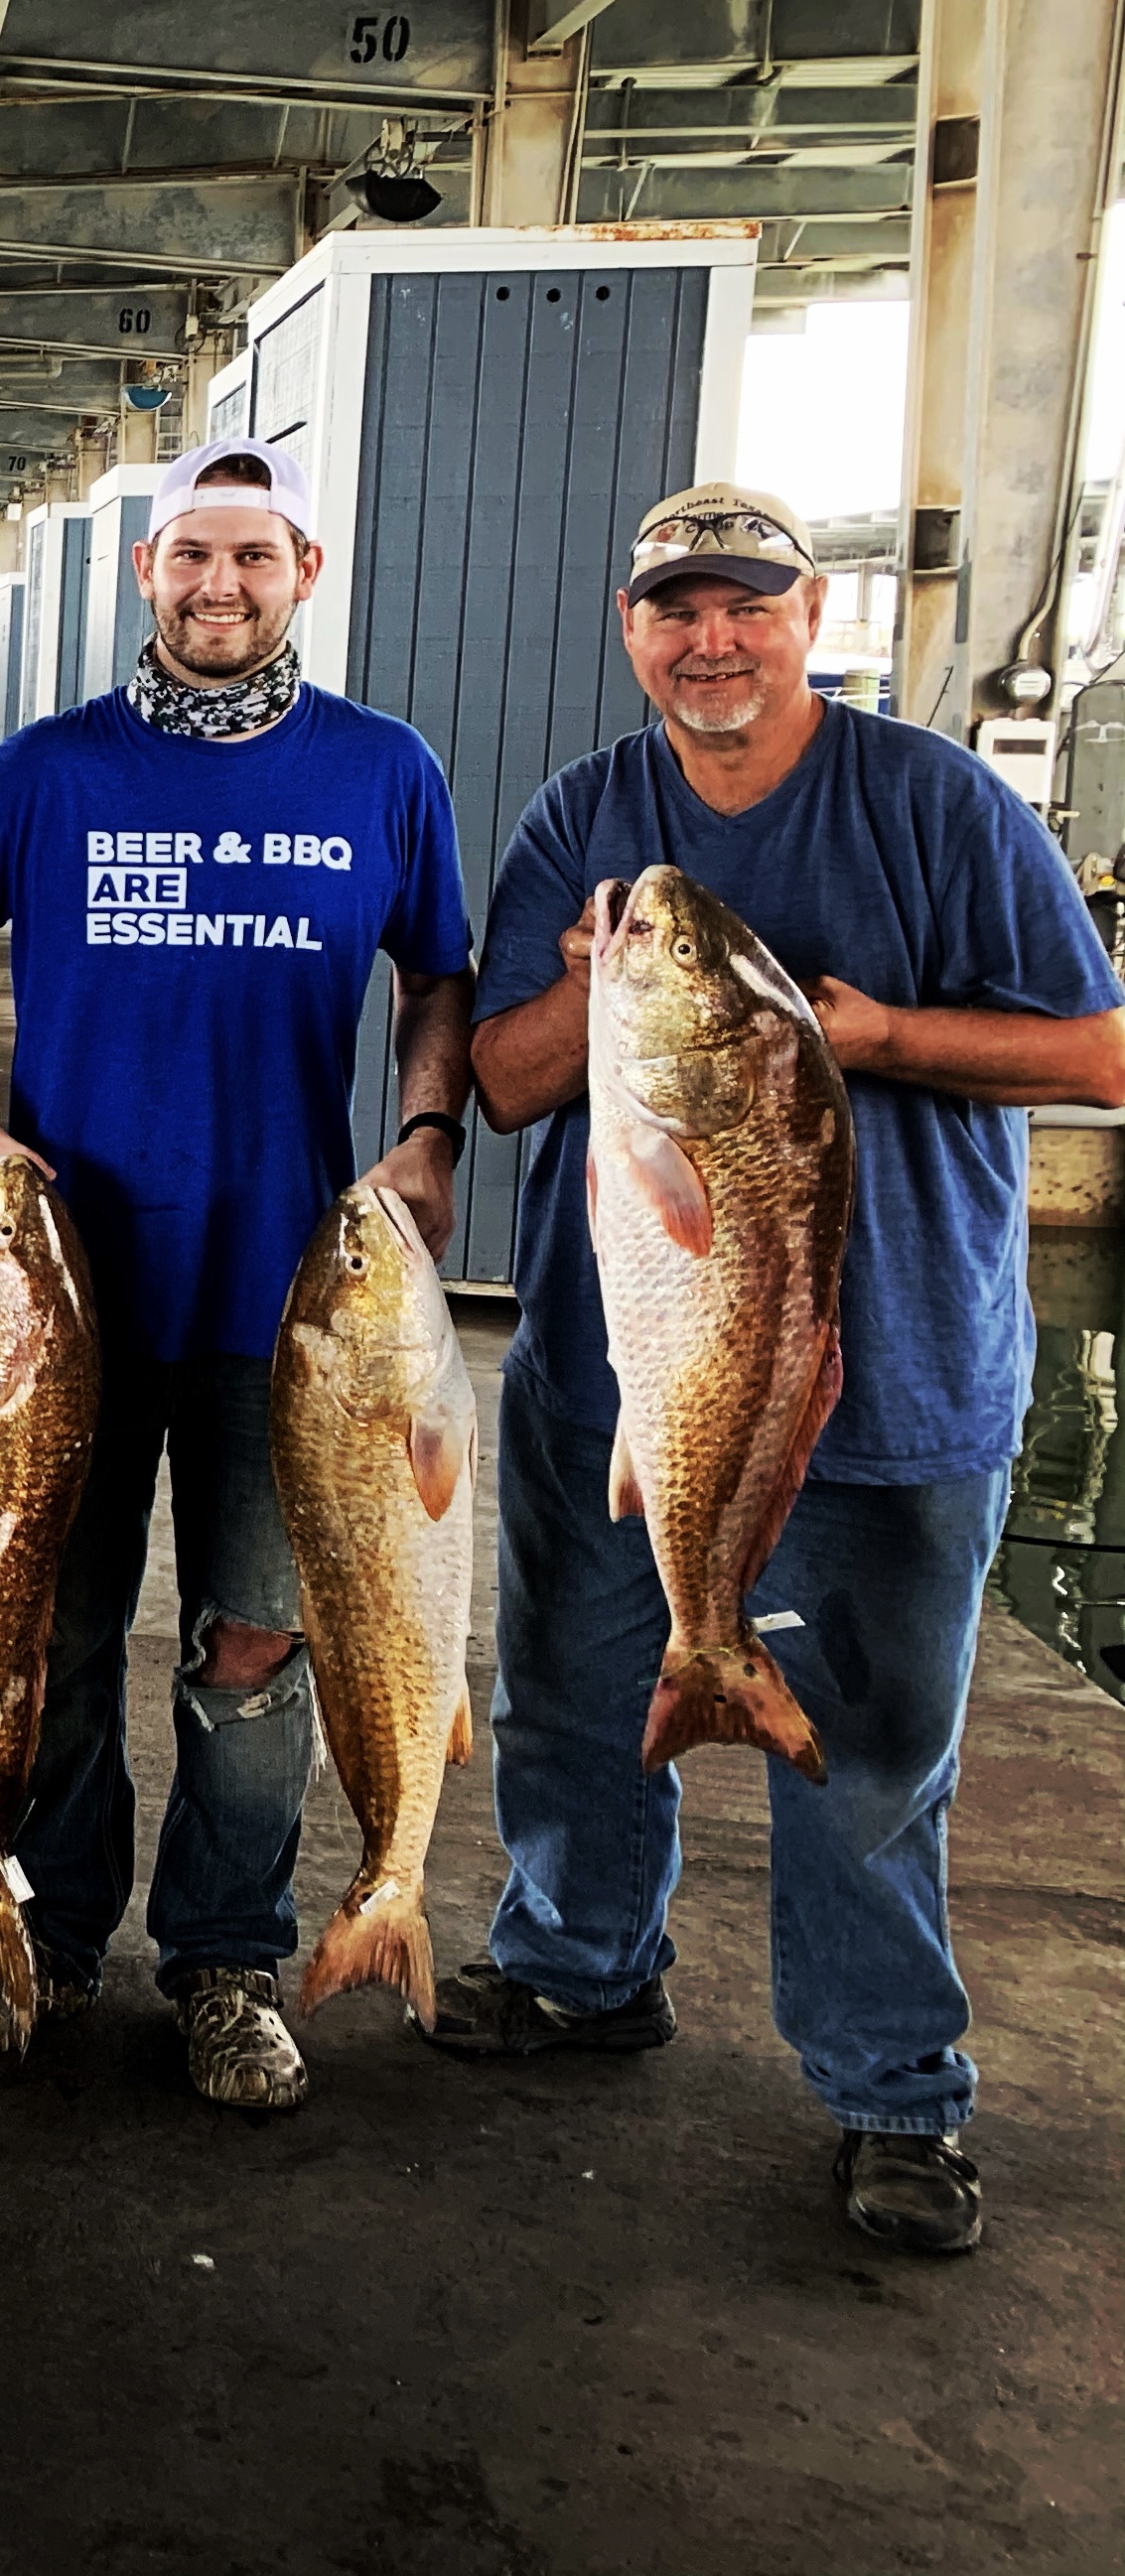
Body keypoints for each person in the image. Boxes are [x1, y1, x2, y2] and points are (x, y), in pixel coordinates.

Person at [435, 482, 1125, 2254]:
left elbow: (1103, 1054)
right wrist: (588, 994)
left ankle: (896, 2093)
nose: (712, 638)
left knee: (883, 1756)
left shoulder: (941, 804)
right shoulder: (586, 813)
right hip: (619, 1377)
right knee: (574, 1698)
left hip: (893, 1385)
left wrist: (884, 1038)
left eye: (747, 604)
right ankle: (582, 1970)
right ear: (630, 624)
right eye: (679, 608)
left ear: (809, 613)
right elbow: (507, 1078)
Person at [0, 437, 474, 2105]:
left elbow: (440, 971)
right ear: (147, 577)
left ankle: (225, 1960)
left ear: (305, 575)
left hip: (291, 1313)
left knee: (257, 1644)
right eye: (193, 558)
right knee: (52, 1633)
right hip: (64, 1303)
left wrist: (425, 1132)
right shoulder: (49, 766)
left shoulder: (382, 769)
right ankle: (54, 1935)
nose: (222, 587)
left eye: (257, 559)